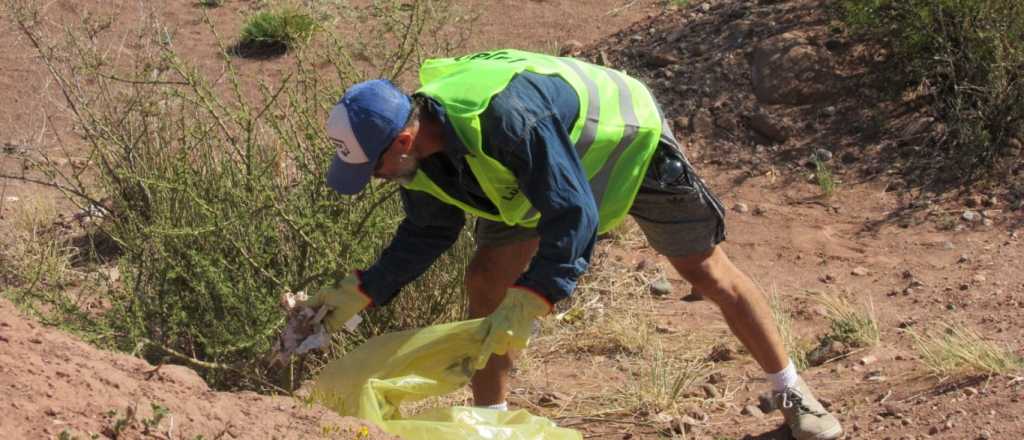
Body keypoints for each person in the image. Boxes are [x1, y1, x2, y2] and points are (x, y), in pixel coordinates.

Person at [304, 49, 842, 440]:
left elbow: (573, 213)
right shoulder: (417, 156)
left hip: (624, 143)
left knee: (705, 271)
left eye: (370, 167)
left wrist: (536, 295)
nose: (372, 179)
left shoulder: (506, 121)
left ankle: (792, 390)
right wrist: (362, 291)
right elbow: (428, 232)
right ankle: (493, 425)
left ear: (403, 139)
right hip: (535, 177)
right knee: (486, 278)